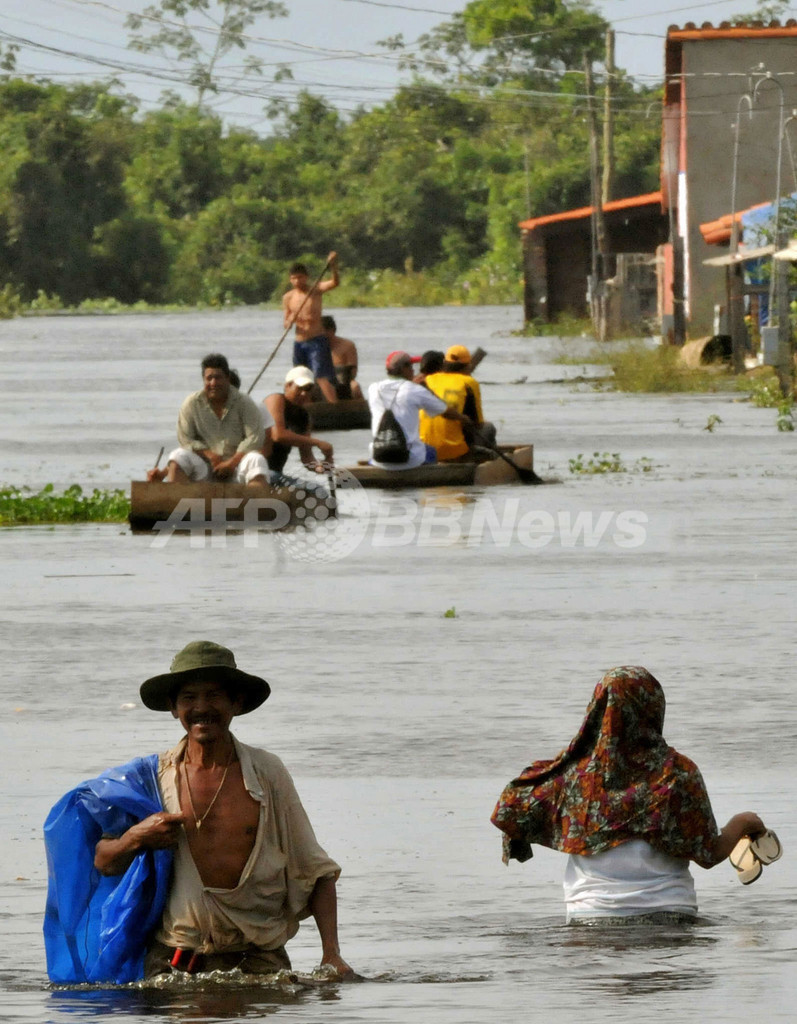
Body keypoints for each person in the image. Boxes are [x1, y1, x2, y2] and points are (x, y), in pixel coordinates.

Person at [43, 640, 352, 983]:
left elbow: (317, 871)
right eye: (189, 698)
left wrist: (331, 955)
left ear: (236, 703)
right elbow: (103, 861)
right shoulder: (148, 780)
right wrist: (137, 837)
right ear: (174, 708)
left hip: (259, 964)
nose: (202, 707)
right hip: (172, 967)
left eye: (214, 696)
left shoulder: (267, 775)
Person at [490, 666, 771, 925]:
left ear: (597, 710)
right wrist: (743, 822)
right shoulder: (678, 773)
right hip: (671, 915)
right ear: (654, 708)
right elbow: (709, 853)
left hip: (590, 919)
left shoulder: (574, 778)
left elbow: (510, 807)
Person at [147, 353, 271, 486]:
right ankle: (177, 504)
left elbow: (255, 438)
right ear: (203, 380)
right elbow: (185, 439)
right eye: (209, 378)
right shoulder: (192, 403)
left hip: (237, 465)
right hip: (205, 467)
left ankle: (254, 505)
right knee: (178, 455)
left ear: (227, 379)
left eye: (218, 378)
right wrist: (209, 455)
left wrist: (231, 463)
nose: (213, 383)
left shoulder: (245, 402)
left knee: (256, 460)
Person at [367, 350, 470, 471]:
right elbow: (445, 411)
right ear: (403, 369)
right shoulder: (415, 390)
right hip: (410, 460)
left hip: (379, 458)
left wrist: (412, 384)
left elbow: (398, 393)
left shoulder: (373, 388)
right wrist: (464, 419)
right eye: (410, 366)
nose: (413, 371)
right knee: (431, 450)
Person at [419, 344, 496, 461]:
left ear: (444, 363)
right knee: (489, 428)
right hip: (454, 451)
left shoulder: (427, 380)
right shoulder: (469, 382)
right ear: (467, 366)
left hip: (424, 450)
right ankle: (481, 462)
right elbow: (478, 424)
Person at [283, 254, 340, 404]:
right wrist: (290, 321)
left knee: (321, 376)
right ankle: (303, 405)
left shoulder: (315, 289)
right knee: (300, 376)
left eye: (300, 277)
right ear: (290, 280)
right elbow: (286, 321)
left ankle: (333, 406)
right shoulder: (288, 297)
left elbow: (335, 283)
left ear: (306, 277)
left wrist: (333, 266)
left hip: (317, 340)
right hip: (299, 342)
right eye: (294, 278)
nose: (297, 281)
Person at [263, 366, 334, 477]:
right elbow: (278, 435)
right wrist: (317, 443)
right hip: (259, 471)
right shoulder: (276, 399)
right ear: (288, 386)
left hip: (276, 474)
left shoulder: (304, 417)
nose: (303, 394)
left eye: (308, 389)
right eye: (299, 388)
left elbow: (307, 458)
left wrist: (324, 465)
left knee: (318, 492)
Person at [321, 315, 363, 400]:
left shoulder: (347, 346)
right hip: (321, 381)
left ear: (331, 331)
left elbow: (353, 372)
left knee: (355, 387)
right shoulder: (314, 348)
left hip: (343, 381)